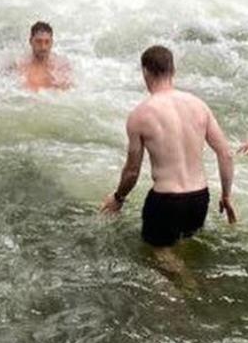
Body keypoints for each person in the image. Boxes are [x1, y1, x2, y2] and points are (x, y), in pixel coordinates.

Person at [99, 44, 238, 247]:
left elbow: (131, 171)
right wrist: (226, 196)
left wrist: (118, 198)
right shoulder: (199, 106)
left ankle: (187, 280)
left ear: (145, 72)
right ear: (173, 71)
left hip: (166, 199)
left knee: (157, 254)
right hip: (199, 198)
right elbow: (225, 154)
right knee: (185, 247)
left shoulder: (140, 115)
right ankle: (190, 277)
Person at [18, 19, 72, 91]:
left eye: (47, 42)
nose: (43, 47)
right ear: (31, 41)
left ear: (52, 42)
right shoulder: (20, 66)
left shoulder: (61, 67)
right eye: (38, 41)